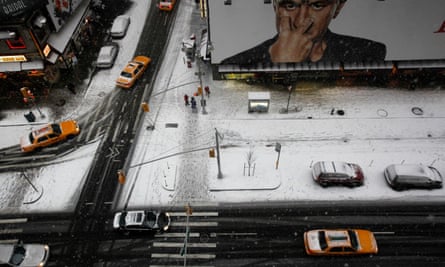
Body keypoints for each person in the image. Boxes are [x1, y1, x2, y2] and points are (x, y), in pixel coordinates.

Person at [221, 0, 386, 65]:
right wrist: (282, 64)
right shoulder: (235, 65)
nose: (301, 21)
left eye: (317, 6)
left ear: (338, 7)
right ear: (274, 5)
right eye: (290, 6)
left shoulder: (367, 53)